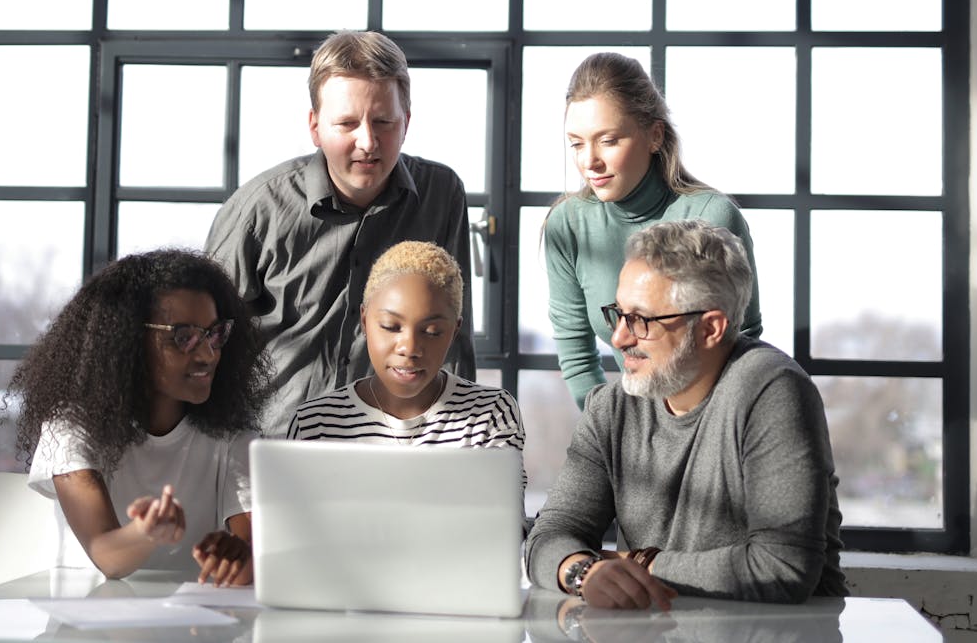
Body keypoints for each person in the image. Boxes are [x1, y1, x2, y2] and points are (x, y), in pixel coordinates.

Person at [525, 220, 846, 608]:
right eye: (618, 313)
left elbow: (781, 567)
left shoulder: (771, 389)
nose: (618, 338)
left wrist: (638, 563)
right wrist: (582, 572)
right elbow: (549, 536)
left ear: (710, 328)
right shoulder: (610, 407)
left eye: (641, 320)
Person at [206, 30, 476, 437]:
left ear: (406, 124)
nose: (368, 142)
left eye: (383, 121)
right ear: (315, 127)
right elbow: (204, 344)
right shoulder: (258, 209)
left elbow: (451, 337)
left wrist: (459, 444)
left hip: (396, 445)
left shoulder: (442, 195)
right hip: (273, 447)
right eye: (347, 123)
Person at [6, 249, 272, 583]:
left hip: (193, 626)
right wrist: (148, 532)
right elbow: (108, 557)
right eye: (184, 337)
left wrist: (239, 558)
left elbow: (254, 551)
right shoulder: (72, 429)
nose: (208, 354)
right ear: (128, 340)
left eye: (215, 333)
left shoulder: (231, 431)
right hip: (84, 622)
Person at [546, 52, 763, 410]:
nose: (589, 161)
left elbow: (743, 341)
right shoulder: (566, 225)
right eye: (577, 143)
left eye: (609, 140)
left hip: (715, 422)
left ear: (654, 135)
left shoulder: (713, 215)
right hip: (633, 430)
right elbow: (577, 355)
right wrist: (612, 434)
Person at [286, 241, 524, 454]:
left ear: (454, 332)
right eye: (390, 326)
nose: (410, 348)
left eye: (432, 332)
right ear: (364, 321)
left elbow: (503, 504)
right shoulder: (314, 424)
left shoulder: (489, 415)